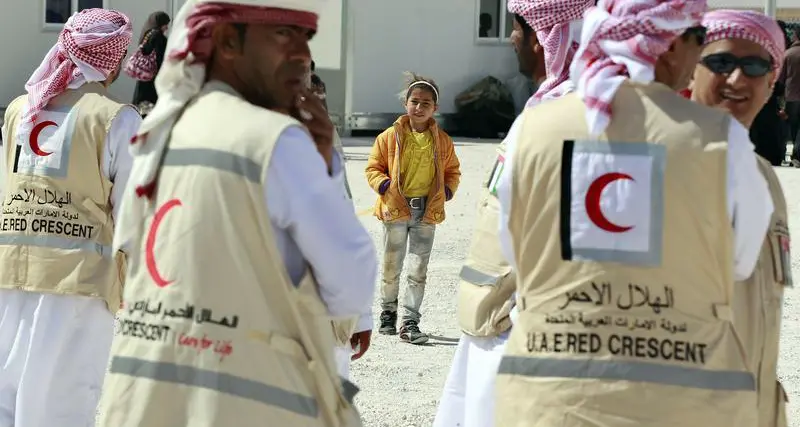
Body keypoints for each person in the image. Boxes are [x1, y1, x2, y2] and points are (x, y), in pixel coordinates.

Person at [96, 1, 376, 426]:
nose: (301, 54)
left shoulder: (156, 134)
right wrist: (325, 169)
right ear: (228, 42)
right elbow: (349, 284)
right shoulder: (274, 140)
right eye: (283, 35)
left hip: (152, 395)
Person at [494, 0, 774, 426]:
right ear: (670, 43)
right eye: (698, 39)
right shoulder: (722, 140)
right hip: (680, 405)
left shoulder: (531, 128)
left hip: (547, 403)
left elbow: (513, 250)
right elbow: (739, 261)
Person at [433, 1, 590, 425]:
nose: (511, 40)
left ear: (542, 38)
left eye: (517, 29)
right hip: (497, 314)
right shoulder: (546, 108)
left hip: (525, 320)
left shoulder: (572, 116)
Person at [0, 9, 136, 427]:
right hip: (78, 284)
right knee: (61, 403)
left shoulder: (20, 109)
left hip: (9, 276)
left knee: (10, 395)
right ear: (112, 60)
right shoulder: (117, 119)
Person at [692, 10, 789, 427]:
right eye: (720, 63)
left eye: (755, 66)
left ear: (772, 82)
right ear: (691, 70)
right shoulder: (666, 165)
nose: (736, 79)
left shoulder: (763, 175)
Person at [365, 72, 461, 344]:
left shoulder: (442, 140)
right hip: (395, 208)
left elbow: (452, 170)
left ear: (435, 109)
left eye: (426, 103)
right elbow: (373, 167)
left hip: (425, 212)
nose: (419, 108)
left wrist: (448, 190)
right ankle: (388, 311)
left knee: (418, 268)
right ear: (406, 103)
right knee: (391, 264)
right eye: (415, 102)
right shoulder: (389, 137)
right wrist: (383, 185)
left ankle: (410, 321)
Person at [131, 11, 171, 116]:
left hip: (144, 78)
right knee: (152, 110)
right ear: (160, 23)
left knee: (142, 108)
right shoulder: (158, 37)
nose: (167, 27)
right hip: (153, 81)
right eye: (165, 24)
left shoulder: (147, 34)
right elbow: (161, 59)